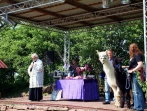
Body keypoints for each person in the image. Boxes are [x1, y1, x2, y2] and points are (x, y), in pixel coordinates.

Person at [127, 43, 145, 111]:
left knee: (137, 91)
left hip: (136, 74)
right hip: (134, 74)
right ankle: (137, 106)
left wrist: (132, 70)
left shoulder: (137, 55)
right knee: (135, 91)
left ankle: (139, 107)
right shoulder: (135, 55)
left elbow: (140, 64)